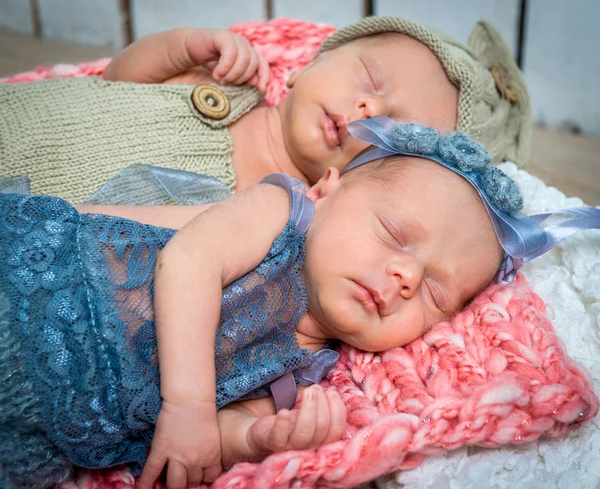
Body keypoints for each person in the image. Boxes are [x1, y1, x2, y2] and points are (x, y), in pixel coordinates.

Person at [2, 116, 597, 489]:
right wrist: (186, 406)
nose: (405, 276)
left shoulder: (310, 372)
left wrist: (261, 440)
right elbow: (188, 263)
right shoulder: (281, 215)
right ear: (327, 190)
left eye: (436, 292)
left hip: (45, 433)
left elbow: (222, 431)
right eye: (392, 233)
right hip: (35, 290)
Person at [0, 16, 531, 203]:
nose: (370, 105)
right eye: (369, 79)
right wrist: (185, 47)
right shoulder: (225, 82)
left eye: (394, 126)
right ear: (309, 64)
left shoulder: (288, 210)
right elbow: (117, 80)